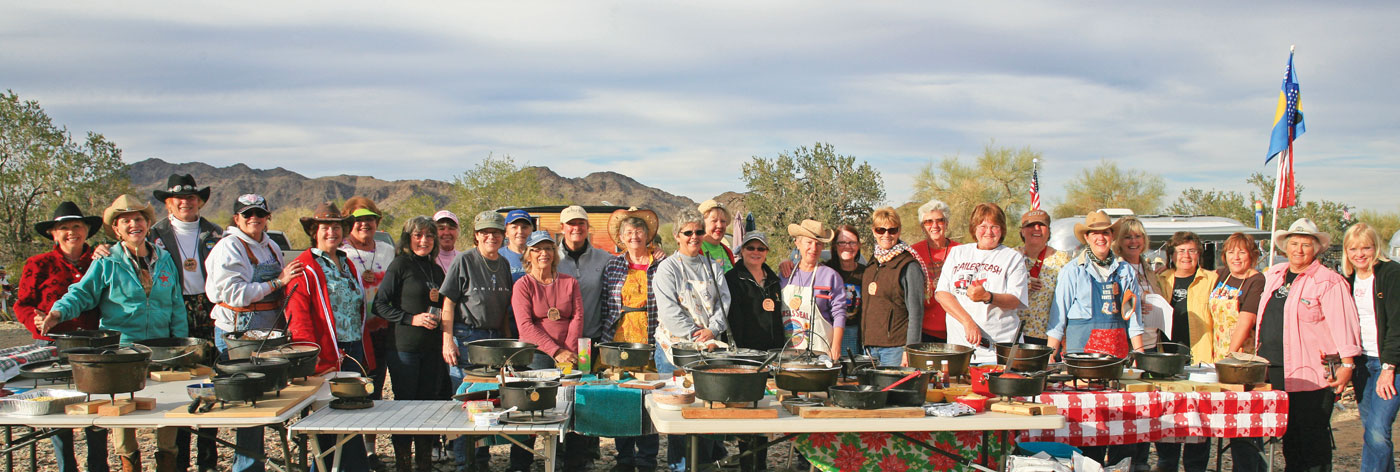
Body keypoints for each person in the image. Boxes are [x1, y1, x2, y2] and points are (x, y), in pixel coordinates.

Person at [38, 194, 187, 472]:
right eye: (125, 220)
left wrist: (180, 346)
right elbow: (82, 293)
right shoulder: (107, 261)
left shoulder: (164, 259)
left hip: (163, 349)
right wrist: (58, 312)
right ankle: (130, 464)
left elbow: (176, 304)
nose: (134, 224)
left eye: (139, 218)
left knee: (169, 413)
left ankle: (167, 463)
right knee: (123, 417)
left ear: (148, 223)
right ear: (116, 229)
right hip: (121, 352)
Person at [1249, 218, 1360, 470]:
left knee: (1313, 439)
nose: (1299, 250)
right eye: (1294, 243)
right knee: (1290, 439)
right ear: (1285, 246)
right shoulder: (1274, 275)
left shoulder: (1328, 281)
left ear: (1317, 248)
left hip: (1313, 374)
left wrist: (1347, 365)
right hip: (1275, 370)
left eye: (1306, 245)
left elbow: (1345, 324)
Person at [205, 193, 302, 472]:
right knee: (249, 401)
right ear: (236, 218)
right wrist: (277, 282)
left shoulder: (271, 246)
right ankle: (246, 466)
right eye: (247, 214)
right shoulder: (229, 247)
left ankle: (256, 460)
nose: (254, 219)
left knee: (267, 398)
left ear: (267, 217)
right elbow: (234, 294)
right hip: (239, 329)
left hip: (268, 328)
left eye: (259, 214)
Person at [1045, 210, 1145, 469]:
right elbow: (1058, 321)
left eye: (1105, 232)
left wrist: (1141, 360)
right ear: (1087, 237)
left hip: (1118, 358)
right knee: (1091, 430)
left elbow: (1134, 319)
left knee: (1124, 426)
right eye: (1095, 233)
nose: (1101, 237)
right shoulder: (1072, 271)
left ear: (1112, 236)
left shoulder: (1124, 272)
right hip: (1084, 362)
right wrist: (1047, 360)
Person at [15, 201, 109, 472]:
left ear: (86, 230)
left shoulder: (101, 260)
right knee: (58, 409)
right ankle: (67, 466)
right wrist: (34, 319)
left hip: (94, 344)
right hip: (52, 344)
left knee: (96, 406)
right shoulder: (37, 264)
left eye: (76, 226)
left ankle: (98, 466)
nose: (71, 232)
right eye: (63, 228)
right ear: (53, 234)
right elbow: (22, 303)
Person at [284, 202, 371, 472]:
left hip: (351, 348)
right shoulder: (304, 267)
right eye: (325, 227)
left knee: (353, 416)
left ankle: (353, 468)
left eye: (336, 226)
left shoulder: (347, 264)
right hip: (324, 353)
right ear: (314, 231)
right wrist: (310, 358)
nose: (331, 231)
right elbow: (297, 317)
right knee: (326, 421)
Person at [150, 174, 224, 472]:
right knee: (178, 382)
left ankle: (208, 459)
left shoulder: (215, 233)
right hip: (173, 308)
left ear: (200, 201)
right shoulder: (154, 235)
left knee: (210, 381)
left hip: (208, 307)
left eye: (192, 197)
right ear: (169, 202)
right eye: (179, 198)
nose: (186, 202)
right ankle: (177, 461)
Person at [654, 208, 731, 471]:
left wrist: (713, 329)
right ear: (677, 235)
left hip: (711, 346)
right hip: (675, 350)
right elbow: (670, 312)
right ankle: (681, 467)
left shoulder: (713, 264)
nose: (694, 237)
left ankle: (706, 463)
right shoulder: (667, 269)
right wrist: (696, 336)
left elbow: (724, 300)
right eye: (688, 232)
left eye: (699, 231)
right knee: (680, 411)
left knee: (709, 407)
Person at [439, 210, 514, 472]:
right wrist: (447, 339)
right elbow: (448, 302)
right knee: (466, 400)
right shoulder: (464, 261)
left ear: (503, 236)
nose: (491, 236)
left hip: (495, 339)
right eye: (485, 232)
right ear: (476, 235)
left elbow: (504, 309)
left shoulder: (504, 264)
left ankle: (481, 458)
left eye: (496, 232)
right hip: (467, 335)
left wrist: (507, 344)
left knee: (488, 400)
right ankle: (464, 461)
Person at [373, 216, 448, 472]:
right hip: (404, 347)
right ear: (408, 238)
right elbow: (380, 305)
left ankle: (424, 463)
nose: (424, 240)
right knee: (405, 405)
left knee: (428, 404)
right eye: (418, 235)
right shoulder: (400, 265)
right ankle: (403, 464)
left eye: (429, 236)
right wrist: (411, 318)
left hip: (431, 349)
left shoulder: (436, 269)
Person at [599, 208, 665, 472]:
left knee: (649, 397)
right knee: (623, 397)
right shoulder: (613, 264)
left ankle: (647, 458)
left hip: (651, 335)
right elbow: (606, 303)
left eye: (639, 231)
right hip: (620, 335)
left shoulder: (661, 263)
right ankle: (624, 457)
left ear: (648, 235)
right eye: (629, 232)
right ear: (621, 238)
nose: (634, 235)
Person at [1205, 233, 1269, 472]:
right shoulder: (1221, 275)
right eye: (1231, 252)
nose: (1236, 257)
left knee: (1244, 422)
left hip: (1241, 360)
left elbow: (1246, 319)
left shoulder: (1256, 280)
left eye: (1242, 252)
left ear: (1252, 255)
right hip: (1216, 355)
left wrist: (1231, 355)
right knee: (1227, 419)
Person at [935, 203, 1029, 364]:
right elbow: (942, 294)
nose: (988, 232)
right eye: (983, 226)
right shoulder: (958, 252)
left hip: (998, 351)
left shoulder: (1012, 257)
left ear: (1002, 230)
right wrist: (967, 322)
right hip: (960, 350)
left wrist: (987, 296)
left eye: (995, 226)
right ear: (974, 228)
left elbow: (1016, 300)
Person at [552, 205, 609, 469]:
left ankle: (584, 454)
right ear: (562, 228)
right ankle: (563, 454)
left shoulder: (604, 258)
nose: (576, 229)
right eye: (571, 224)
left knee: (587, 395)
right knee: (563, 397)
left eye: (581, 224)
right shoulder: (551, 258)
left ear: (588, 227)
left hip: (590, 340)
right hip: (562, 344)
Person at [1340, 223, 1400, 472]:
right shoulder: (1347, 279)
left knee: (1377, 431)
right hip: (1362, 362)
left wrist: (1389, 367)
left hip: (1389, 364)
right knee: (1372, 431)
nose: (1359, 254)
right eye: (1353, 248)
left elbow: (1397, 322)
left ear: (1376, 248)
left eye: (1366, 247)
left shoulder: (1390, 274)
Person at [340, 196, 395, 464]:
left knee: (376, 388)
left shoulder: (387, 250)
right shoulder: (341, 252)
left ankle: (370, 448)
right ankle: (350, 448)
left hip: (384, 331)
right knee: (354, 388)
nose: (365, 224)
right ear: (348, 223)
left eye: (370, 219)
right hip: (354, 332)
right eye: (358, 220)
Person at [724, 231, 784, 472]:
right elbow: (730, 318)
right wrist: (736, 353)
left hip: (772, 352)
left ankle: (761, 464)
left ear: (766, 252)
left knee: (765, 407)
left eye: (761, 249)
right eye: (751, 248)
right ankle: (748, 464)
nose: (756, 253)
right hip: (744, 353)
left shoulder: (774, 279)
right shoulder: (732, 278)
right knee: (747, 411)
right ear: (742, 251)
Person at [860, 207, 931, 366]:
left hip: (895, 349)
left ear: (899, 232)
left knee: (894, 391)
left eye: (892, 230)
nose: (886, 235)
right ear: (874, 231)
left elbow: (916, 312)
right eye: (881, 230)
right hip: (869, 348)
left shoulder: (908, 266)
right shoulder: (872, 263)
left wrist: (909, 350)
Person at [782, 219, 848, 359]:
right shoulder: (785, 274)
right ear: (797, 243)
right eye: (809, 242)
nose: (814, 248)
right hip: (788, 353)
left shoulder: (830, 276)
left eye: (818, 244)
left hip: (820, 352)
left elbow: (839, 314)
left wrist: (835, 347)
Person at [1156, 231, 1218, 361]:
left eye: (1192, 251)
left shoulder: (1212, 280)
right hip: (1165, 354)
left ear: (1199, 254)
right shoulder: (1159, 280)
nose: (1186, 256)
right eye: (1181, 251)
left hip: (1200, 354)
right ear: (1171, 255)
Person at [1111, 216, 1167, 348]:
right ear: (1118, 242)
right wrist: (1134, 307)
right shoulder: (1115, 270)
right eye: (1127, 237)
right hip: (1128, 345)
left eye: (1138, 236)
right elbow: (1111, 306)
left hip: (1153, 344)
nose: (1134, 241)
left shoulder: (1150, 270)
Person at [1016, 209, 1069, 345]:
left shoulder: (1063, 260)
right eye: (1031, 225)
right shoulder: (1011, 256)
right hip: (1014, 335)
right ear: (1022, 231)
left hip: (1049, 337)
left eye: (1042, 225)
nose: (1037, 228)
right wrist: (1023, 284)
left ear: (1049, 231)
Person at [911, 199, 960, 342]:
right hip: (924, 331)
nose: (934, 226)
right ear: (922, 226)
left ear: (947, 223)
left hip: (956, 328)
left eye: (940, 220)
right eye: (928, 222)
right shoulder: (913, 252)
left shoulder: (961, 251)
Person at [826, 225, 867, 355]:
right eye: (842, 242)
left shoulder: (866, 272)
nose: (847, 246)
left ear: (859, 245)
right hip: (830, 332)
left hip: (857, 333)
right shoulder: (826, 271)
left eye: (852, 242)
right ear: (834, 246)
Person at [697, 199, 735, 272]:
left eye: (723, 221)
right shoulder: (696, 251)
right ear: (701, 224)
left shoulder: (728, 251)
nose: (720, 225)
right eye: (714, 221)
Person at [501, 209, 534, 281]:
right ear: (506, 232)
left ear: (531, 230)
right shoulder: (499, 256)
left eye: (524, 227)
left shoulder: (539, 255)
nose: (520, 231)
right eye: (514, 227)